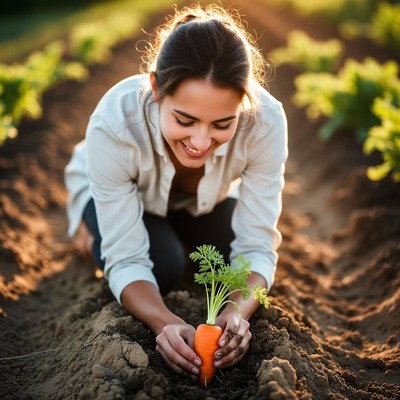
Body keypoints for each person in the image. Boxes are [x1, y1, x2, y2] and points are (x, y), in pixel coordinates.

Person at [64, 3, 288, 381]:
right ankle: (87, 233)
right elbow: (127, 260)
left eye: (222, 123)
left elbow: (256, 248)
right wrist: (163, 321)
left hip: (200, 203)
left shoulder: (265, 121)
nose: (201, 142)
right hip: (121, 196)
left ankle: (172, 232)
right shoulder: (115, 123)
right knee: (163, 267)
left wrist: (235, 314)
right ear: (155, 88)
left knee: (228, 264)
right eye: (184, 120)